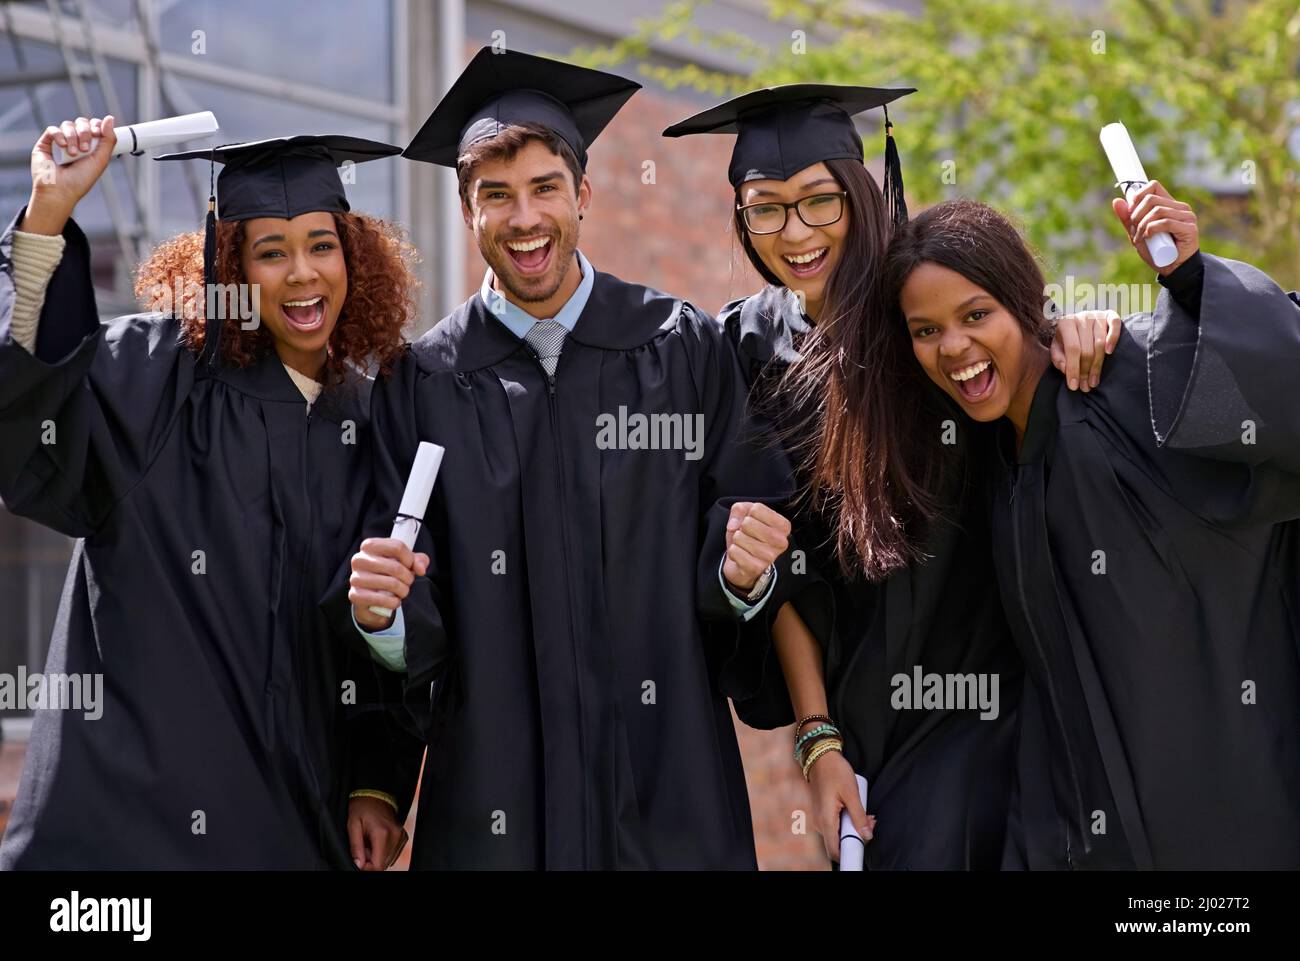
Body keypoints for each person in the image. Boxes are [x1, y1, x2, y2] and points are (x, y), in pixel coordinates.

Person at [331, 48, 797, 870]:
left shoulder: (678, 348)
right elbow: (399, 592)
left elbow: (747, 531)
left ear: (582, 194)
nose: (524, 217)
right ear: (468, 211)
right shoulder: (422, 383)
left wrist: (742, 570)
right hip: (495, 803)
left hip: (666, 790)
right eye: (497, 196)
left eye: (545, 187)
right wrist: (384, 617)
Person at [664, 85, 1122, 867]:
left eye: (819, 201)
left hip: (995, 691)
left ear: (860, 194)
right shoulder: (741, 347)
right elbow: (782, 564)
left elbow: (1019, 351)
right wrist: (818, 742)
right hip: (865, 717)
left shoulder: (922, 302)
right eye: (766, 208)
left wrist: (1086, 325)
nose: (796, 232)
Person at [0, 119, 417, 869]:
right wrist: (49, 213)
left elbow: (379, 641)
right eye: (270, 251)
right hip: (127, 840)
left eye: (322, 245)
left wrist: (378, 784)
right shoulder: (158, 378)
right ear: (229, 267)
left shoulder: (372, 421)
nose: (302, 274)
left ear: (355, 259)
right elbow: (27, 434)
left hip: (294, 828)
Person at [882, 187, 1300, 868]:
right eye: (925, 330)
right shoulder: (986, 464)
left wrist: (1190, 279)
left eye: (976, 314)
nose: (954, 346)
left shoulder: (1124, 384)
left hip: (1234, 815)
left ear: (1023, 302)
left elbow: (1274, 400)